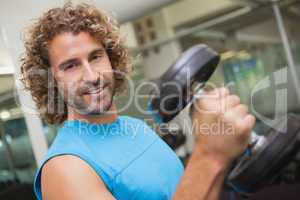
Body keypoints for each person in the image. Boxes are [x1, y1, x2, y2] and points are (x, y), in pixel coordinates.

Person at [21, 3, 255, 200]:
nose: (92, 76)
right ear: (51, 81)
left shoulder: (135, 127)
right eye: (71, 66)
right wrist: (211, 155)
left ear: (111, 59)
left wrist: (227, 151)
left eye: (95, 57)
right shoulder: (64, 167)